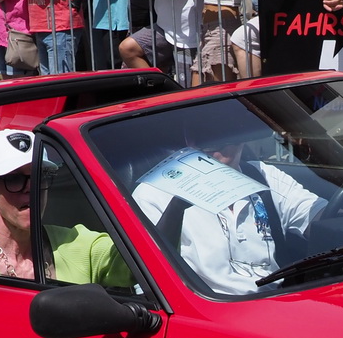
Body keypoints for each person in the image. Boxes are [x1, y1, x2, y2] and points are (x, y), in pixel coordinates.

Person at [131, 110, 328, 295]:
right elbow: (152, 282)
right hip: (210, 312)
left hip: (280, 300)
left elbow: (325, 219)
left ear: (241, 139)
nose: (214, 151)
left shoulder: (264, 175)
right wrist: (176, 208)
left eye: (223, 139)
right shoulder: (154, 193)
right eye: (204, 139)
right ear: (188, 139)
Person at [0, 130, 132, 286]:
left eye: (39, 176)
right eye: (14, 179)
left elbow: (148, 260)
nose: (31, 188)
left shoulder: (79, 244)